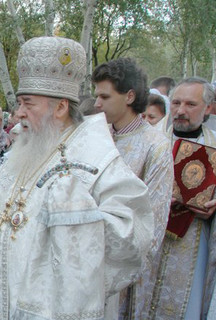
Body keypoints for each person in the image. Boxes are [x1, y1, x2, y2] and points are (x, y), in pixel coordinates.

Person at [0, 36, 153, 319]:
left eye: (27, 103)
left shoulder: (96, 158)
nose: (18, 113)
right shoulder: (24, 152)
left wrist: (76, 213)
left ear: (60, 107)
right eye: (18, 103)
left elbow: (134, 235)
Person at [92, 57, 174, 319]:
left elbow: (153, 223)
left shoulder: (156, 147)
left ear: (129, 96)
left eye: (104, 96)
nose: (97, 103)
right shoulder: (95, 136)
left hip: (122, 271)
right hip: (85, 260)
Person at [152, 77, 216, 320]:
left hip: (196, 246)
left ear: (208, 108)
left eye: (190, 104)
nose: (180, 110)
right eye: (176, 102)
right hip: (153, 244)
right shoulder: (151, 141)